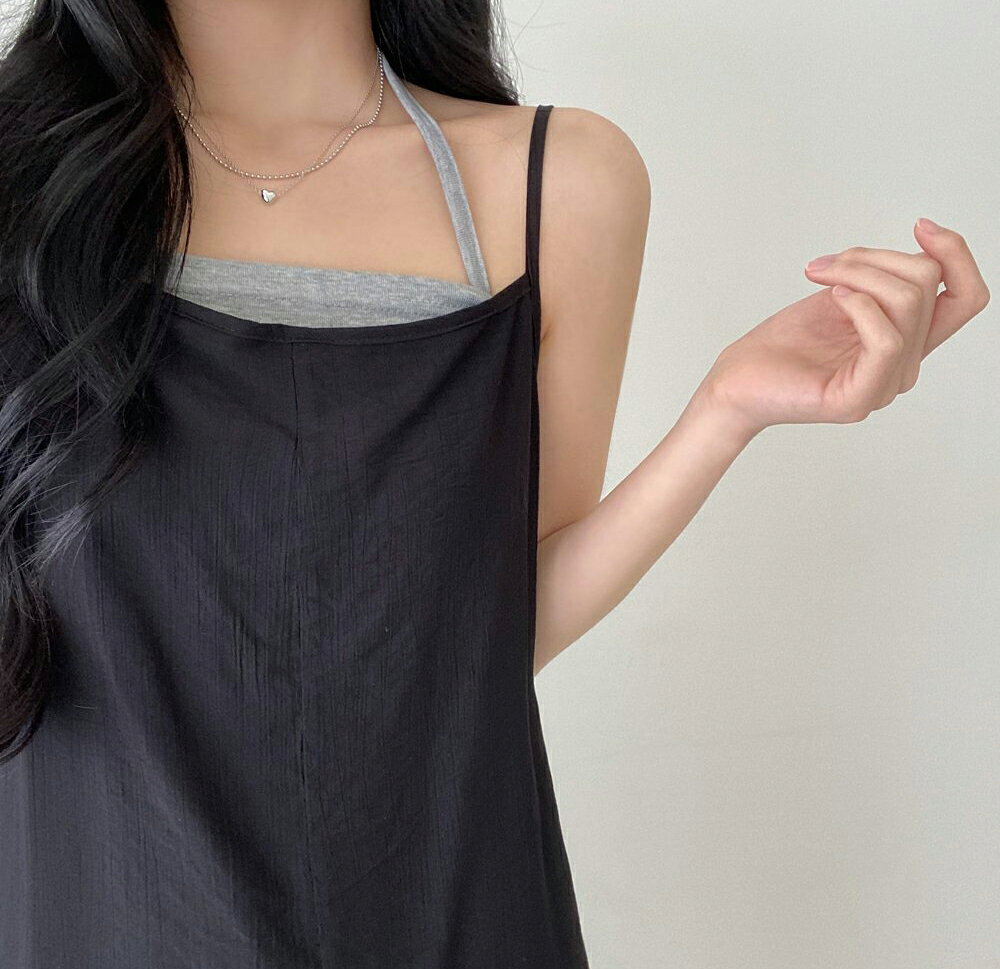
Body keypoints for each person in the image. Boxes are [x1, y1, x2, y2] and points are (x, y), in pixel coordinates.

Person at [0, 1, 990, 966]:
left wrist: (723, 413)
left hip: (445, 912)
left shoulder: (556, 181)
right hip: (96, 908)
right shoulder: (22, 183)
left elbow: (491, 626)